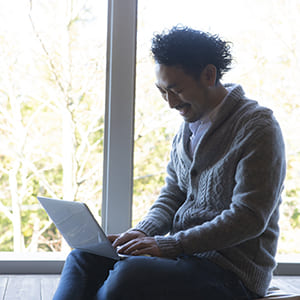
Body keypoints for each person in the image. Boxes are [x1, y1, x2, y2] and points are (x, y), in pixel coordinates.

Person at [53, 26, 286, 300]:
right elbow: (173, 194)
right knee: (84, 258)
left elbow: (249, 218)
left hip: (231, 274)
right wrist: (140, 233)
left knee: (127, 278)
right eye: (163, 91)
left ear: (209, 75)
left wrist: (169, 245)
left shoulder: (257, 127)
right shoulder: (186, 129)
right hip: (183, 258)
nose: (170, 102)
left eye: (176, 90)